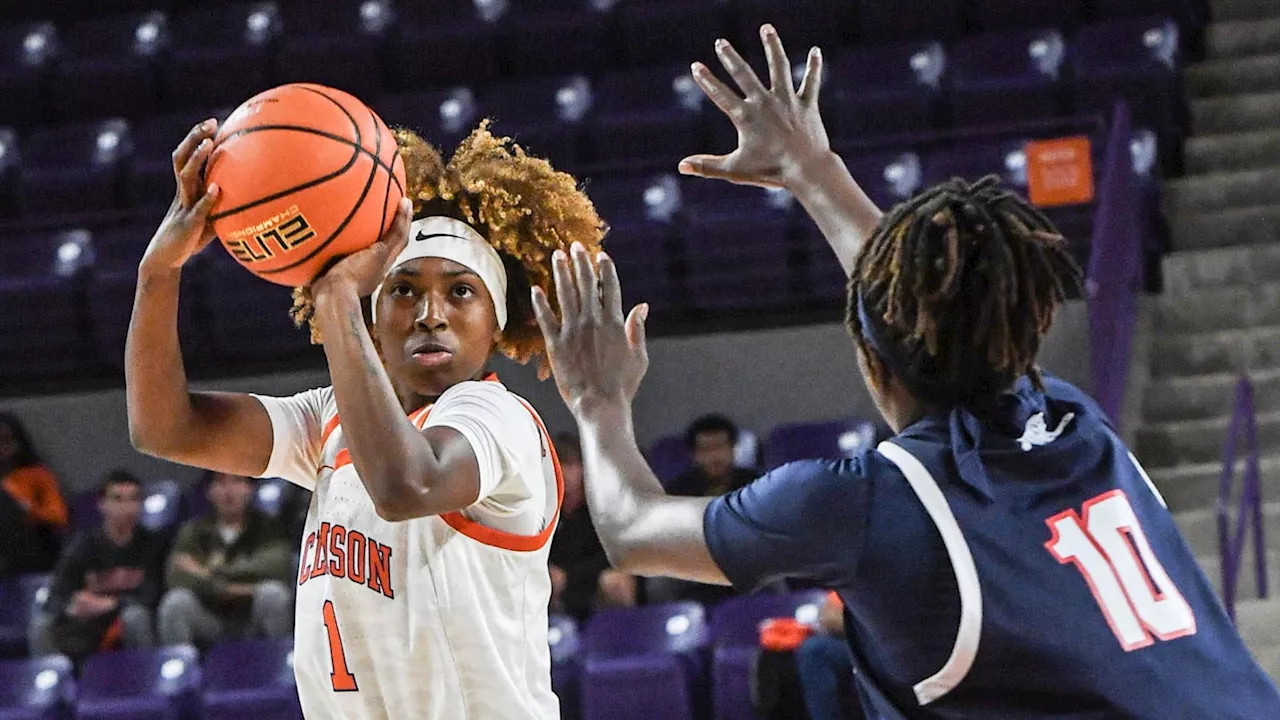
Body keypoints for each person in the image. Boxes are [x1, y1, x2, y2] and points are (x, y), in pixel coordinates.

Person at [532, 25, 1280, 719]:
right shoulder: (1072, 424)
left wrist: (598, 402)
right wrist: (813, 170)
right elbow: (920, 305)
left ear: (873, 364)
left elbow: (631, 529)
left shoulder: (866, 505)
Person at [125, 117, 603, 718]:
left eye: (461, 292)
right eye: (403, 290)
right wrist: (158, 274)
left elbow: (408, 485)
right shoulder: (331, 415)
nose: (431, 312)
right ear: (375, 317)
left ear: (498, 321)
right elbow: (164, 428)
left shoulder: (498, 418)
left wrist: (335, 300)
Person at [29, 470, 163, 662]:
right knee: (42, 625)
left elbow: (155, 593)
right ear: (102, 505)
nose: (127, 507)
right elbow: (57, 595)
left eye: (133, 499)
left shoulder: (154, 545)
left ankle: (148, 676)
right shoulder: (82, 547)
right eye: (118, 499)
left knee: (136, 616)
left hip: (125, 618)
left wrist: (113, 604)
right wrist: (72, 605)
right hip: (87, 625)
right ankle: (59, 687)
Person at [157, 471, 294, 648]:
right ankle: (184, 668)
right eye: (221, 482)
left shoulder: (269, 527)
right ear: (209, 491)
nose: (229, 491)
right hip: (209, 617)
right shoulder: (193, 531)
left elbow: (277, 569)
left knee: (274, 594)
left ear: (250, 489)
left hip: (252, 616)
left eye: (237, 481)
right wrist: (229, 587)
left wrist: (209, 572)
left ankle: (279, 665)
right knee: (175, 602)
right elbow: (177, 576)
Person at [548, 432, 636, 620]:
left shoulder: (602, 507)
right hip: (558, 583)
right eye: (557, 465)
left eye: (570, 465)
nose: (563, 473)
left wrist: (568, 577)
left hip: (592, 579)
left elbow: (612, 556)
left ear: (583, 468)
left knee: (614, 581)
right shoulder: (543, 511)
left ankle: (623, 639)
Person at [0, 412, 68, 578]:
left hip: (29, 546)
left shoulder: (37, 475)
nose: (2, 447)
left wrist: (29, 509)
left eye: (6, 441)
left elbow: (58, 516)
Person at [667, 414, 756, 498]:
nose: (714, 455)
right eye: (706, 449)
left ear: (732, 449)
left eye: (720, 446)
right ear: (694, 455)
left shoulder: (754, 487)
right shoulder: (678, 492)